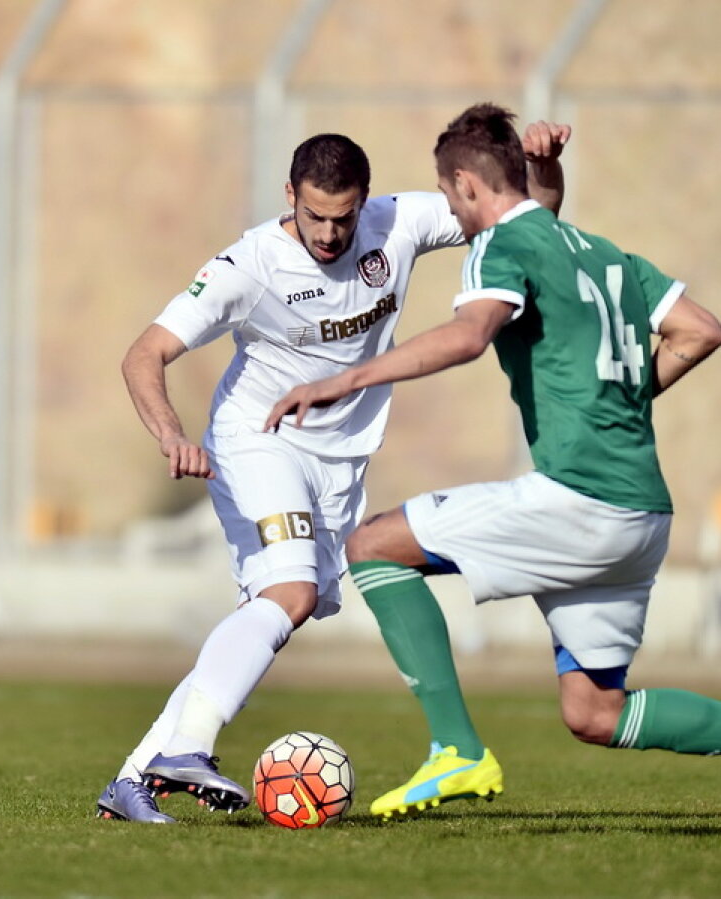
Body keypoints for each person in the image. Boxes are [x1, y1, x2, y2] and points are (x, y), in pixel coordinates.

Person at [269, 103, 721, 830]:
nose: (453, 216)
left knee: (372, 547)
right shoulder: (604, 253)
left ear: (469, 188)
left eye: (451, 199)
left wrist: (344, 379)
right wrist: (623, 396)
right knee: (596, 711)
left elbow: (471, 336)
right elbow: (701, 329)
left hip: (580, 500)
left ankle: (456, 747)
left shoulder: (496, 249)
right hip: (643, 513)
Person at [97, 121, 572, 824]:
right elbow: (145, 352)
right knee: (286, 593)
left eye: (342, 217)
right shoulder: (247, 266)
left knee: (276, 612)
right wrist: (172, 434)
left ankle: (133, 780)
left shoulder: (397, 223)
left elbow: (527, 215)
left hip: (340, 463)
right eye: (313, 215)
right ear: (289, 195)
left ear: (366, 201)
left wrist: (545, 167)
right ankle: (190, 746)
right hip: (257, 441)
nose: (327, 233)